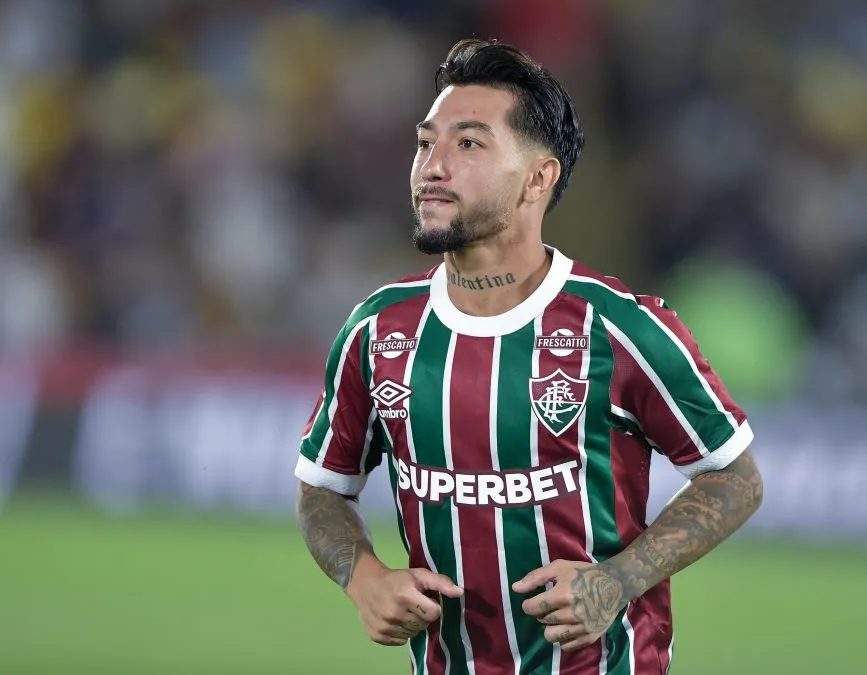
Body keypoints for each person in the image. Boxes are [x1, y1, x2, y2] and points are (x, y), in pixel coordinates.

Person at [294, 38, 763, 675]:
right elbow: (323, 487)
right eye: (426, 142)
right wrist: (364, 577)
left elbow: (735, 477)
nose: (432, 165)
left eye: (468, 144)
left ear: (538, 178)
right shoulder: (379, 329)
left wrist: (619, 579)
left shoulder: (620, 327)